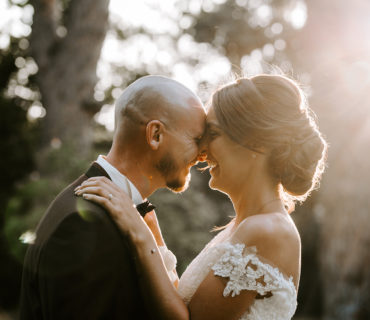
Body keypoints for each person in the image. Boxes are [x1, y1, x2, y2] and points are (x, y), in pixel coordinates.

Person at [76, 74, 328, 320]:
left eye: (214, 134)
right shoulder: (242, 226)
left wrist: (140, 237)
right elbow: (188, 306)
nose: (202, 150)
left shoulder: (268, 231)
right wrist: (156, 240)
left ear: (257, 145)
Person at [20, 75, 206, 319]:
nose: (203, 153)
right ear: (156, 135)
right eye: (196, 139)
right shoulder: (84, 224)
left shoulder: (113, 214)